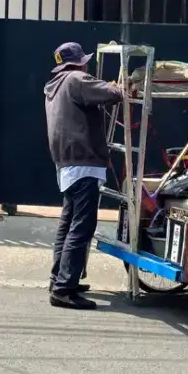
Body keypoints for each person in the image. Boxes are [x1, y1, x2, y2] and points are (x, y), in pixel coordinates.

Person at [44, 42, 123, 310]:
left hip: (67, 164)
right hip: (83, 163)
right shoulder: (76, 79)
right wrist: (118, 87)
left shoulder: (55, 85)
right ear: (78, 62)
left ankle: (60, 278)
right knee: (82, 227)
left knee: (68, 225)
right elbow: (112, 93)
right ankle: (64, 288)